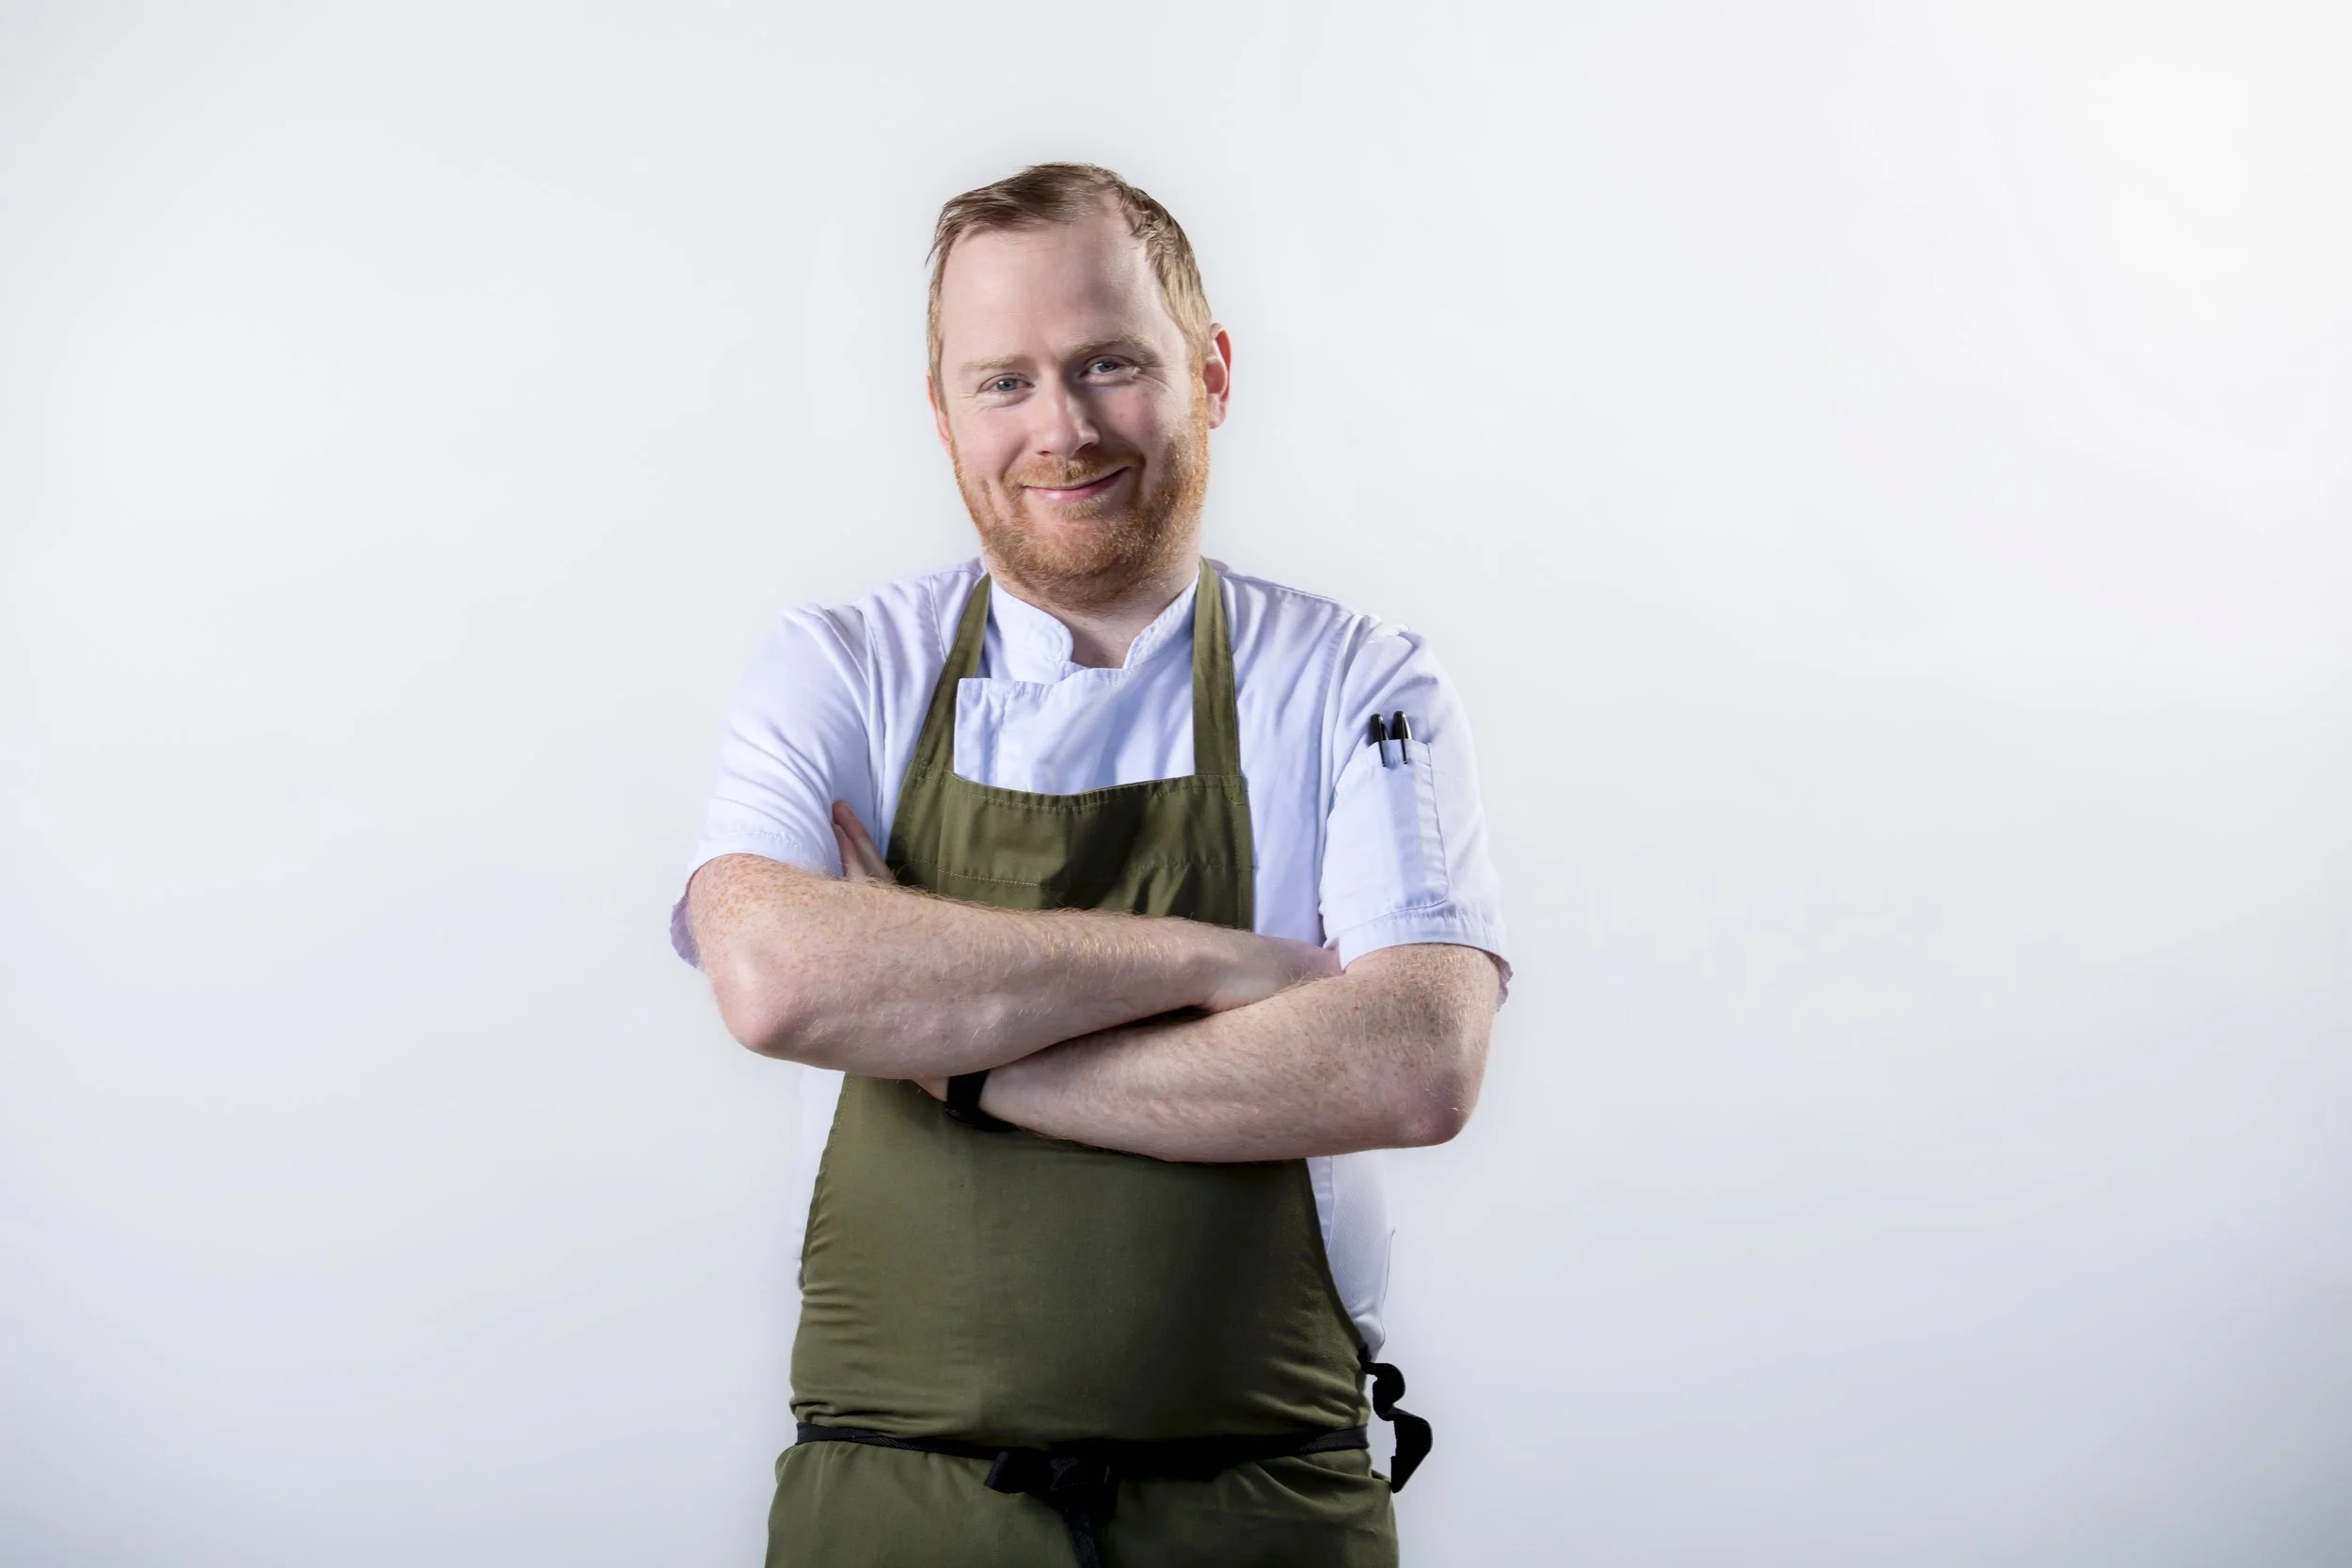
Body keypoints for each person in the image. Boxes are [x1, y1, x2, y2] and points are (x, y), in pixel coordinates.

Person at [674, 162, 1510, 1568]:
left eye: (1109, 364)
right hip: (896, 1518)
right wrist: (1208, 960)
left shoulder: (1359, 679)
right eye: (1002, 381)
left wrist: (973, 1062)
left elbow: (1418, 1055)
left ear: (1213, 372)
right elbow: (768, 972)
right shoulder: (843, 667)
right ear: (941, 416)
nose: (1059, 428)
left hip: (1258, 1515)